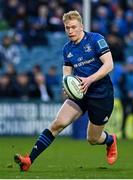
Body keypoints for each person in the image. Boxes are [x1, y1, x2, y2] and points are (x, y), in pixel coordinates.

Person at [14, 10, 118, 171]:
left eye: (73, 27)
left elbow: (109, 65)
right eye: (67, 28)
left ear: (81, 26)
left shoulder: (96, 39)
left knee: (92, 138)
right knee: (58, 124)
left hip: (101, 94)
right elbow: (67, 72)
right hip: (81, 92)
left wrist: (89, 79)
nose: (70, 31)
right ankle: (29, 160)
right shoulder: (67, 49)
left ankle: (110, 140)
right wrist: (67, 83)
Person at [118, 56, 133, 139]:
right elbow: (121, 86)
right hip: (125, 99)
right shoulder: (124, 75)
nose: (132, 66)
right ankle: (123, 132)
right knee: (126, 114)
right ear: (128, 65)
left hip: (132, 99)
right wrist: (127, 93)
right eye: (130, 64)